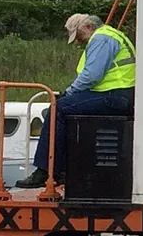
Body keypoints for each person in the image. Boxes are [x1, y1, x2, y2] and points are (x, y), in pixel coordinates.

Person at [15, 13, 136, 189]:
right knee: (63, 107)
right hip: (119, 94)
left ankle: (45, 170)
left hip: (115, 96)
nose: (79, 41)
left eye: (79, 36)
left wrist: (69, 93)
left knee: (58, 109)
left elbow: (91, 76)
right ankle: (62, 170)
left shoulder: (101, 39)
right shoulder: (111, 36)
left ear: (88, 27)